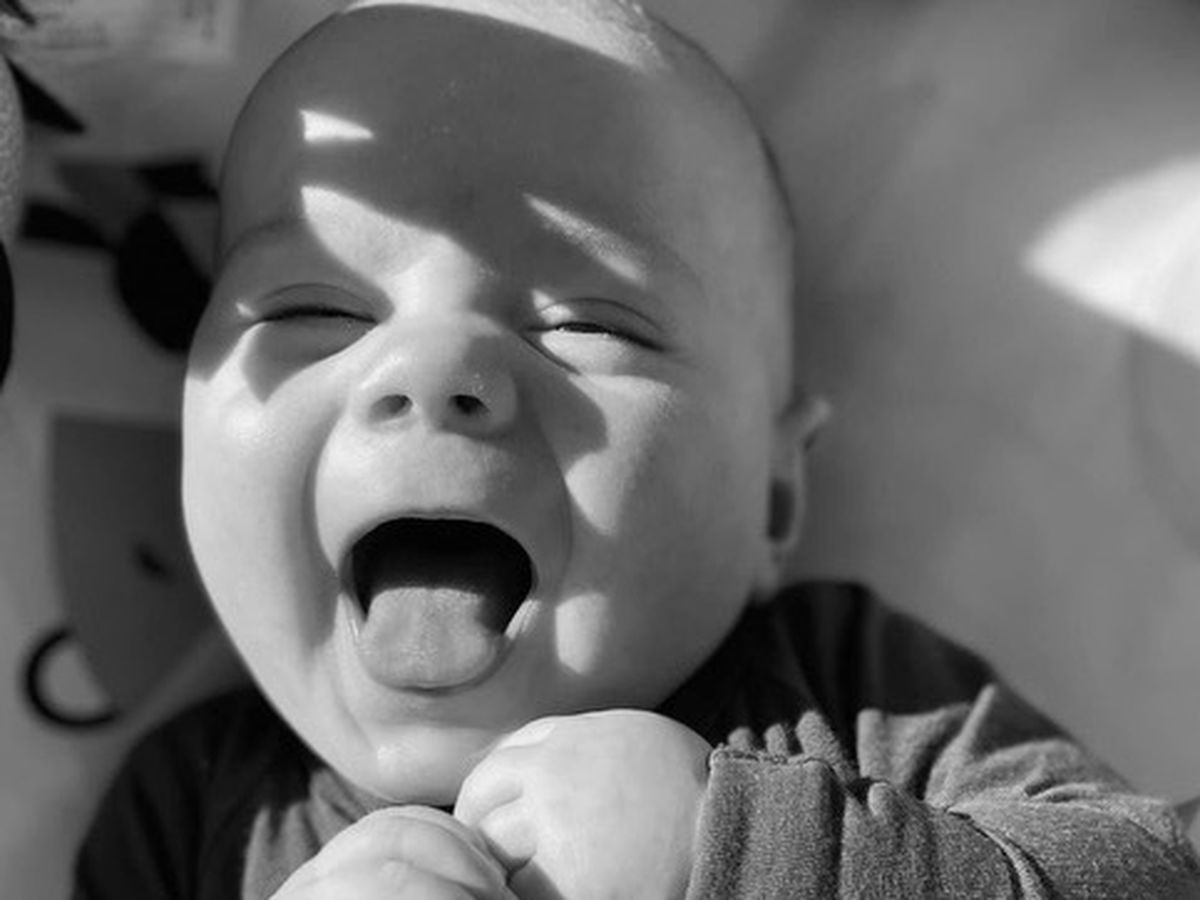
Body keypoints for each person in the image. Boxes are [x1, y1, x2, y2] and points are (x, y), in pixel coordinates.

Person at [72, 1, 1200, 896]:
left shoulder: (858, 699)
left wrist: (749, 853)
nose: (432, 367)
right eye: (313, 310)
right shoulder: (192, 817)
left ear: (775, 495)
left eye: (587, 325)